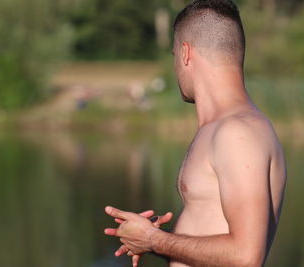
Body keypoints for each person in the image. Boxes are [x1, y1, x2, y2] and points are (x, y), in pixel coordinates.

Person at [104, 0, 287, 266]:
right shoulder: (220, 129)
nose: (176, 68)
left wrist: (153, 239)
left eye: (174, 57)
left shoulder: (237, 133)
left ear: (186, 52)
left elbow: (246, 256)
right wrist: (149, 236)